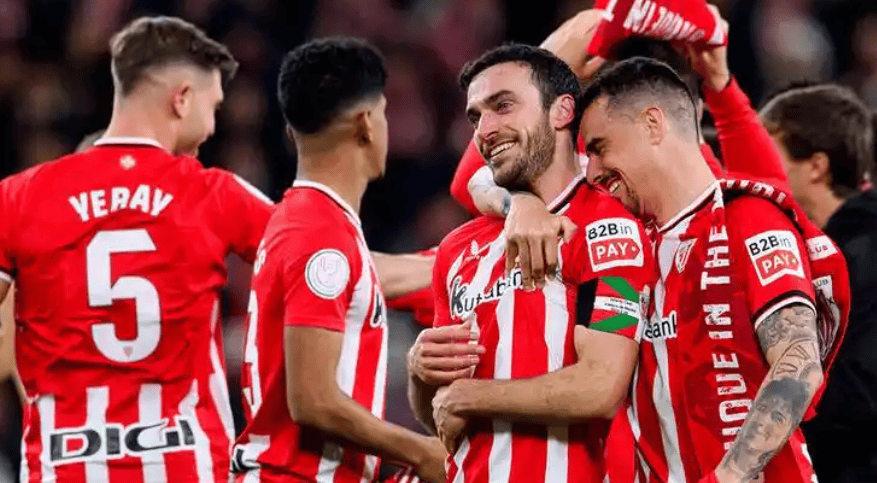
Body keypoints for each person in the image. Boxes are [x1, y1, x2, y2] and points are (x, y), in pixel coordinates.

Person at [0, 16, 276, 483]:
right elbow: (327, 258)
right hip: (186, 464)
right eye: (212, 108)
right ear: (181, 98)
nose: (212, 128)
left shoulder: (20, 197)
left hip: (65, 466)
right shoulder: (212, 193)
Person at [580, 57, 843, 483]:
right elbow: (602, 378)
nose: (592, 172)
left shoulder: (751, 218)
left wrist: (727, 477)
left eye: (599, 147)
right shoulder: (622, 260)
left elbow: (798, 364)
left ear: (652, 124)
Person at [407, 44, 654, 483]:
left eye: (503, 106)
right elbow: (443, 417)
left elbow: (600, 386)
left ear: (562, 111)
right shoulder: (457, 249)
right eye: (476, 117)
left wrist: (471, 396)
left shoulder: (609, 230)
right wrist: (420, 373)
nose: (485, 130)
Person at [230, 37, 446, 483]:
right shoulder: (321, 234)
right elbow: (313, 401)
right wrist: (421, 451)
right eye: (384, 112)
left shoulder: (303, 220)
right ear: (366, 124)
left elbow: (375, 273)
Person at [759, 84, 877, 483]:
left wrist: (769, 391)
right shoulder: (818, 249)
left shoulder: (864, 252)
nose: (752, 169)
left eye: (766, 154)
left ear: (816, 167)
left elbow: (862, 392)